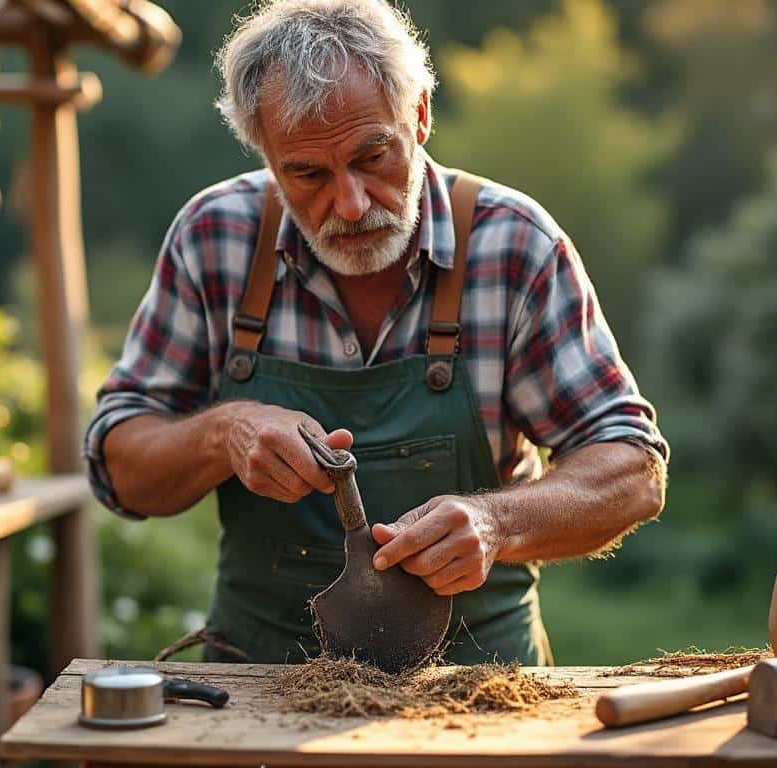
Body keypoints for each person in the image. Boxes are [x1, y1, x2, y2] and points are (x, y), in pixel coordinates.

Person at [84, 0, 668, 666]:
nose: (351, 204)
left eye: (371, 156)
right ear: (267, 157)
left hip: (475, 693)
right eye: (307, 174)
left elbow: (632, 467)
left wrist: (496, 522)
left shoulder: (514, 246)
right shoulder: (214, 238)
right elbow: (118, 466)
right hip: (258, 686)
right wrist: (225, 431)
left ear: (419, 114)